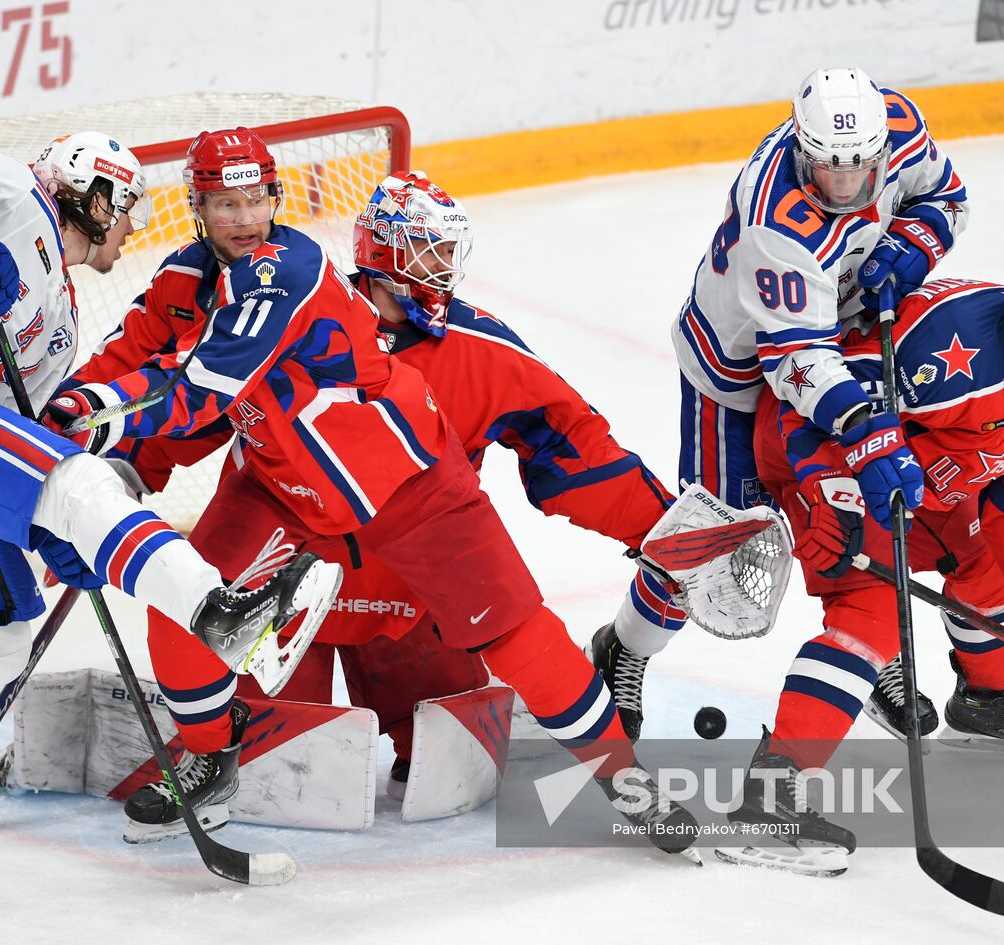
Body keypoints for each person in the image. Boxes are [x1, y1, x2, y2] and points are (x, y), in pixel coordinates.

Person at [40, 129, 717, 855]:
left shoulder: (287, 273)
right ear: (198, 207)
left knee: (521, 636)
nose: (241, 218)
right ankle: (211, 757)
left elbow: (201, 388)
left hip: (414, 488)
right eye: (223, 203)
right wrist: (65, 432)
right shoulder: (186, 280)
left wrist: (660, 525)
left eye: (254, 199)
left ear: (275, 198)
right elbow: (131, 352)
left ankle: (625, 780)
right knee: (184, 606)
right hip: (278, 492)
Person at [0, 133, 337, 873]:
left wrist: (57, 535)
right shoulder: (15, 194)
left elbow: (12, 446)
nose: (134, 226)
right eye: (128, 207)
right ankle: (222, 614)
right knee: (80, 476)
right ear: (97, 194)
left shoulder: (58, 331)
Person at [718, 227, 1004, 876]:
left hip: (931, 477)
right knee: (871, 614)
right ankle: (769, 796)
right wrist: (829, 494)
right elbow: (813, 395)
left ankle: (983, 699)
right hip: (832, 457)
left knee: (995, 562)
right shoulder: (945, 346)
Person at [597, 65, 969, 740]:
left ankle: (867, 650)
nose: (847, 186)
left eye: (861, 169)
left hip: (843, 346)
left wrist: (911, 248)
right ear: (803, 148)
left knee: (859, 515)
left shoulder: (901, 126)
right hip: (739, 376)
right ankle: (624, 647)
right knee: (714, 541)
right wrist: (862, 426)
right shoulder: (779, 223)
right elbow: (796, 361)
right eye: (829, 170)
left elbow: (949, 197)